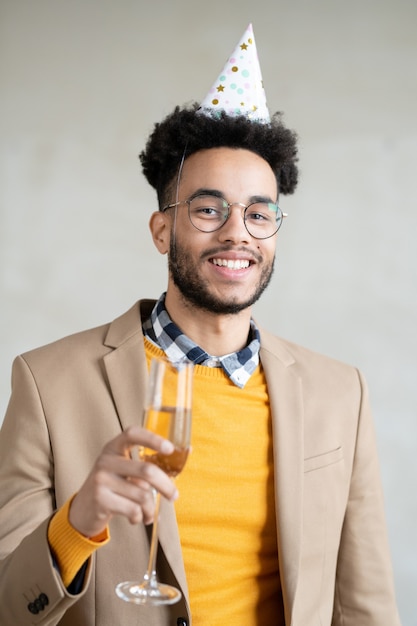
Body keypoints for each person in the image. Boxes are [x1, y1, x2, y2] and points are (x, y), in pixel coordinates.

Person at [0, 24, 401, 626]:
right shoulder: (46, 382)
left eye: (258, 213)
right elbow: (10, 605)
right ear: (162, 230)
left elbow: (366, 606)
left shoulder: (341, 393)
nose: (237, 232)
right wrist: (78, 521)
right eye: (208, 208)